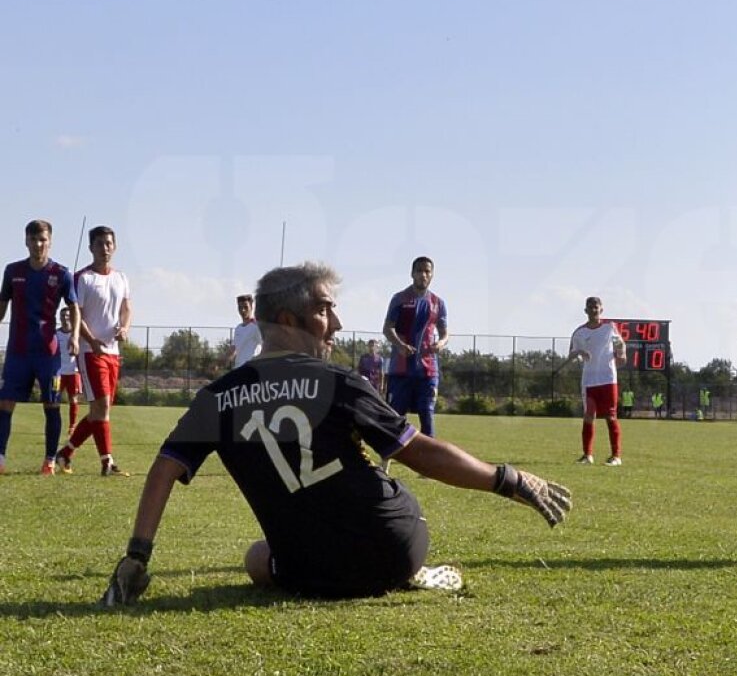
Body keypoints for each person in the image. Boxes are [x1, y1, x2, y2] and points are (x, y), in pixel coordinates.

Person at [99, 262, 571, 606]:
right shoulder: (338, 381)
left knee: (256, 559)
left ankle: (366, 568)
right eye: (325, 310)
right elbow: (420, 453)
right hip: (396, 546)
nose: (338, 323)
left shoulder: (216, 397)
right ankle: (405, 573)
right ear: (289, 320)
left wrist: (137, 557)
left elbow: (163, 470)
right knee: (349, 532)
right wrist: (507, 479)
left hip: (306, 570)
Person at [0, 220, 79, 476]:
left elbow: (74, 307)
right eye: (33, 239)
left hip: (48, 354)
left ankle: (49, 461)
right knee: (5, 403)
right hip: (18, 352)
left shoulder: (61, 273)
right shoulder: (12, 271)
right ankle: (0, 458)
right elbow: (2, 306)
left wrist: (75, 336)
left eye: (42, 239)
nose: (38, 244)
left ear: (50, 241)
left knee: (52, 405)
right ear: (26, 241)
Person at [54, 226, 132, 477]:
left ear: (114, 246)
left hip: (112, 352)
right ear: (91, 248)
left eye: (108, 243)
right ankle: (107, 463)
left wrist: (124, 327)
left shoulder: (121, 278)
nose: (104, 248)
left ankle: (65, 453)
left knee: (100, 410)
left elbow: (126, 308)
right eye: (99, 244)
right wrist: (92, 340)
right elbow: (77, 314)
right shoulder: (82, 277)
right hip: (90, 351)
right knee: (102, 407)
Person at [383, 257, 448, 437]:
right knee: (396, 418)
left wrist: (441, 343)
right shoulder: (399, 298)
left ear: (432, 275)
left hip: (428, 371)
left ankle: (429, 455)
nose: (423, 275)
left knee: (427, 414)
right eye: (419, 271)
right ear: (412, 273)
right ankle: (392, 454)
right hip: (401, 370)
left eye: (427, 271)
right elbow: (387, 328)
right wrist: (400, 345)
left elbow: (445, 333)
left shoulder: (438, 303)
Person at [567, 296, 626, 466]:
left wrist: (622, 353)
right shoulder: (579, 332)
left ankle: (616, 456)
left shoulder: (609, 327)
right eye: (590, 307)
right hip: (589, 381)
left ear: (601, 309)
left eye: (596, 307)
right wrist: (580, 353)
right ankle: (587, 455)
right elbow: (571, 354)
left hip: (608, 378)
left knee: (610, 416)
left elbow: (620, 344)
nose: (593, 310)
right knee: (589, 415)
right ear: (585, 310)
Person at [56, 307, 83, 441]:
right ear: (59, 318)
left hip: (73, 372)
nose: (65, 318)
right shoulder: (56, 334)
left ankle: (72, 426)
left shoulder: (77, 334)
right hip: (58, 373)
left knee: (73, 399)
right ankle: (55, 425)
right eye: (63, 316)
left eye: (67, 315)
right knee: (54, 399)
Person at [228, 294, 262, 369]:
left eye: (246, 307)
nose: (243, 310)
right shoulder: (238, 328)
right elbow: (233, 349)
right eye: (240, 307)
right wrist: (220, 361)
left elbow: (265, 345)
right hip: (239, 369)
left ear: (251, 307)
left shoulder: (256, 327)